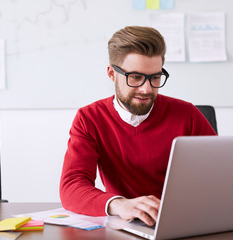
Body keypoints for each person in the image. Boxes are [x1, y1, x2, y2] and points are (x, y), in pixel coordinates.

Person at [60, 26, 217, 227]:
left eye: (155, 77)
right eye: (135, 77)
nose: (146, 89)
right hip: (125, 226)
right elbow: (72, 185)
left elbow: (221, 173)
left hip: (184, 222)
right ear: (111, 74)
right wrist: (120, 205)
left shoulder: (188, 114)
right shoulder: (89, 118)